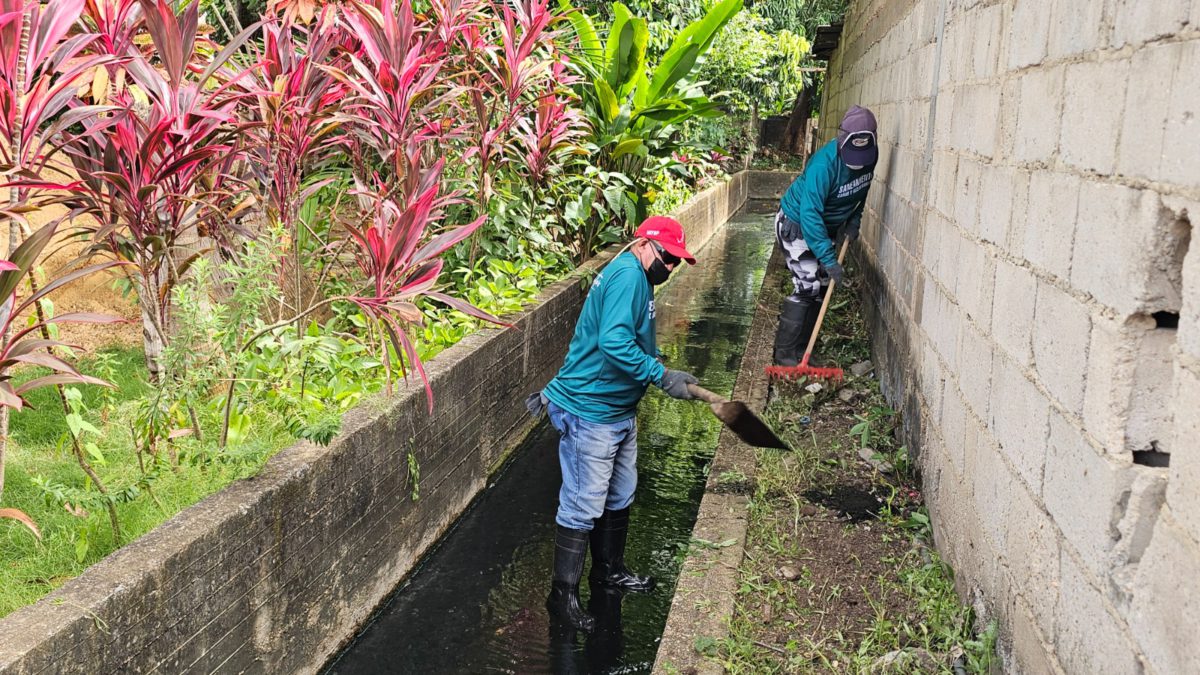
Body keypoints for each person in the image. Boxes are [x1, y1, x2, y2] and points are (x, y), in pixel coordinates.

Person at [526, 216, 700, 632]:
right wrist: (659, 376)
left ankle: (608, 571)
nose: (670, 268)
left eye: (676, 263)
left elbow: (635, 342)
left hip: (618, 410)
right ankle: (561, 597)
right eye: (667, 259)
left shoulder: (640, 278)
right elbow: (613, 342)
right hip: (591, 410)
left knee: (620, 494)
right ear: (644, 245)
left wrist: (659, 366)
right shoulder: (626, 276)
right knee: (583, 503)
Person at [773, 105, 879, 366]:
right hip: (797, 223)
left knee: (820, 287)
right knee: (807, 283)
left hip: (825, 227)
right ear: (842, 141)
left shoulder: (869, 157)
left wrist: (854, 221)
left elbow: (861, 192)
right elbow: (810, 214)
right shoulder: (823, 164)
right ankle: (785, 356)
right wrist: (829, 260)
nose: (857, 162)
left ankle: (804, 353)